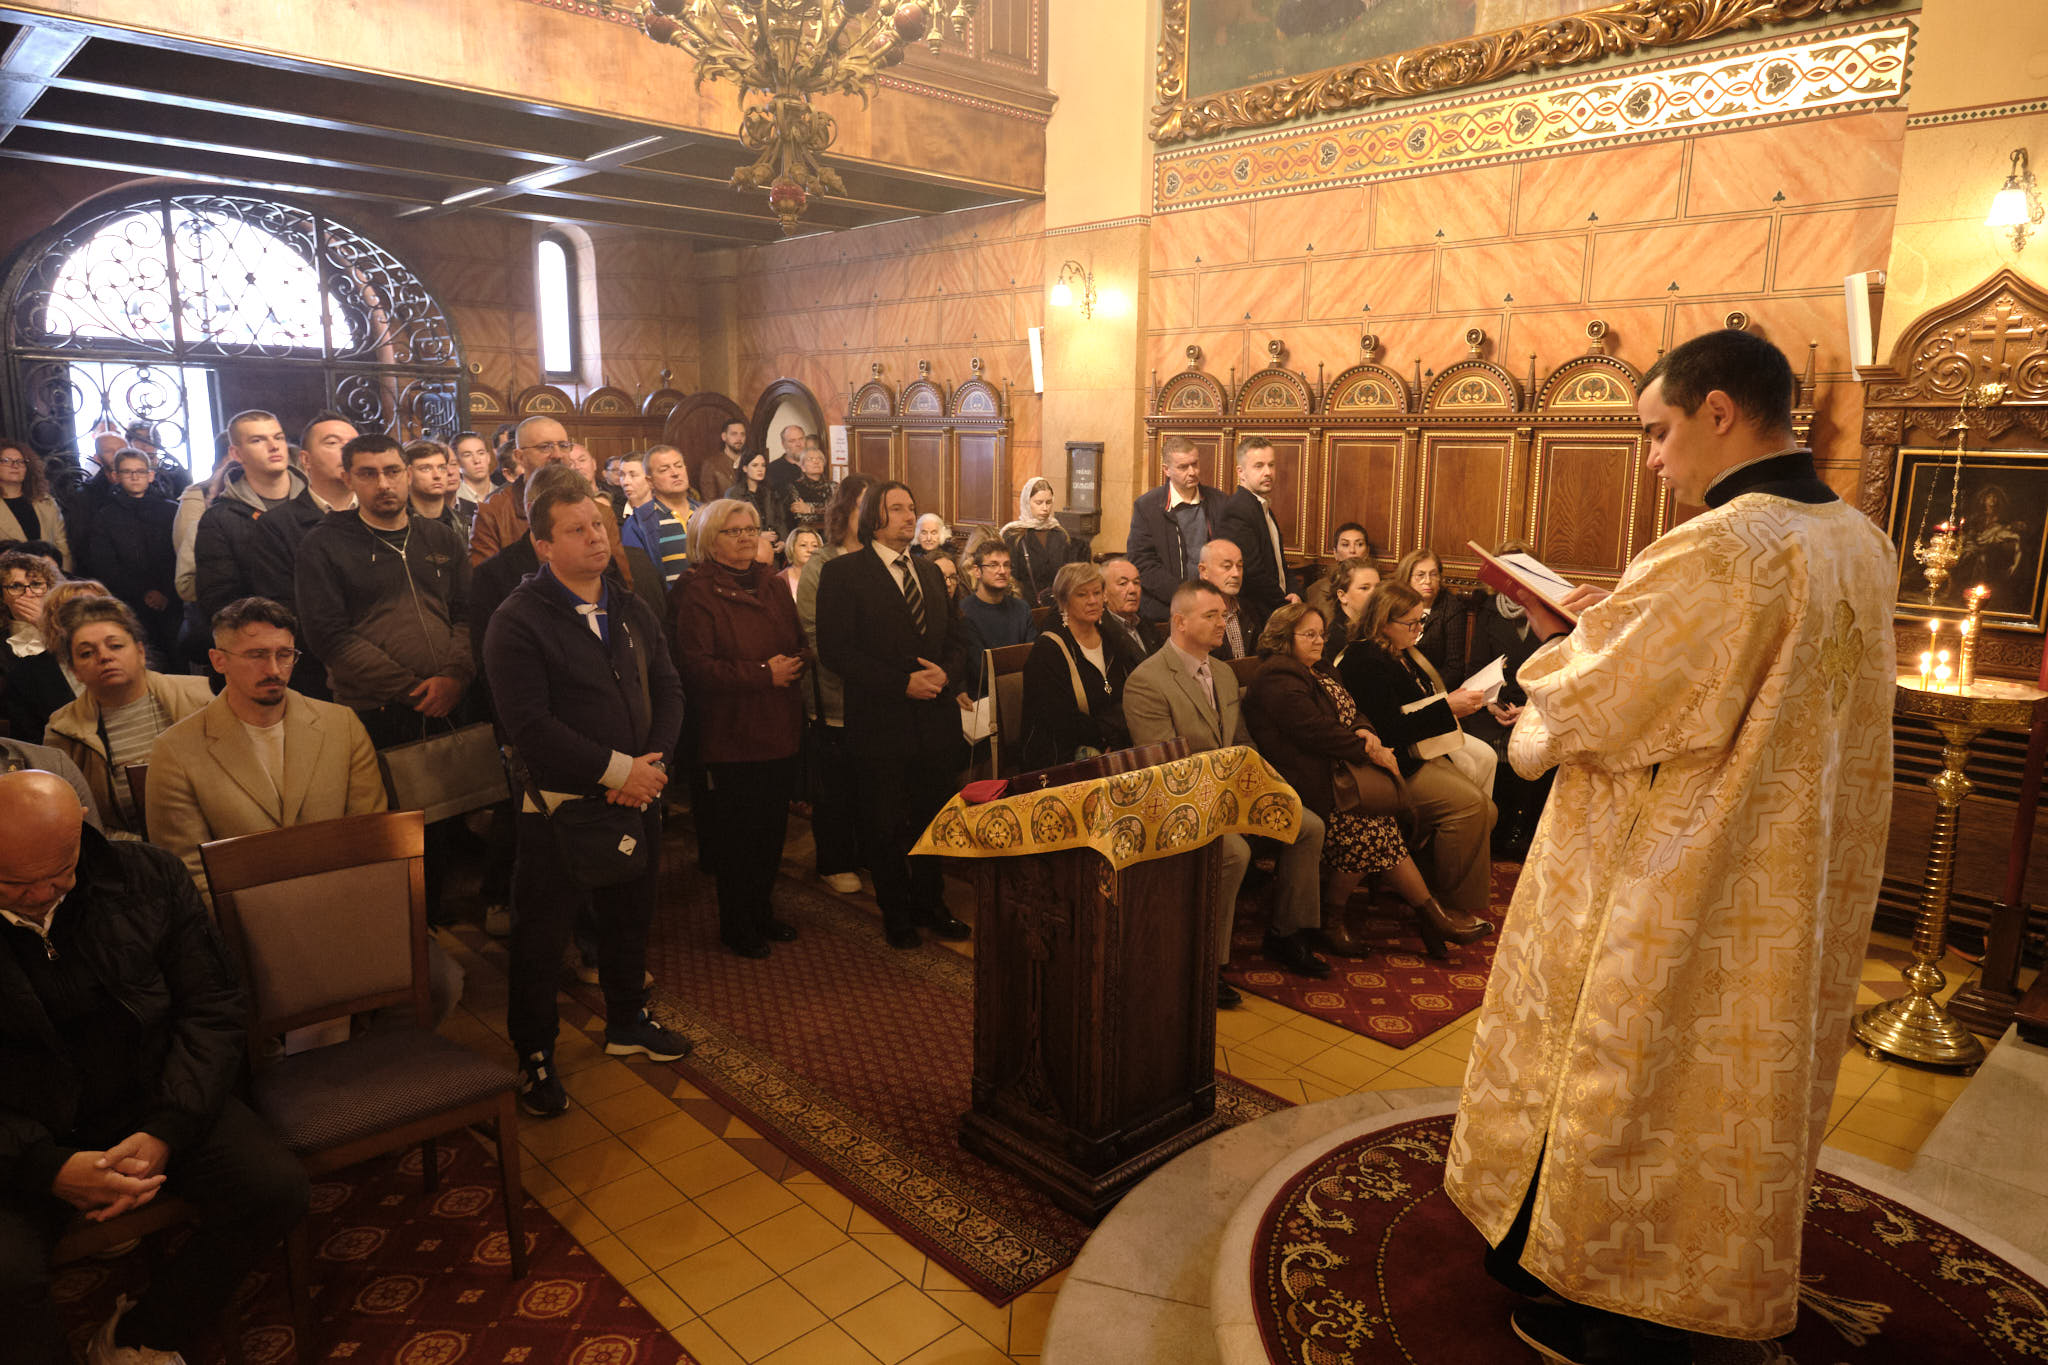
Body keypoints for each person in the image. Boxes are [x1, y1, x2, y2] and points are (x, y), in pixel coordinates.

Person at [1446, 330, 1896, 1363]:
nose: (1652, 458)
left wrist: (1559, 650)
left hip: (1680, 876)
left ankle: (1606, 1292)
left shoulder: (1719, 546)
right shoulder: (1859, 542)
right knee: (1726, 1091)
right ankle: (1701, 1272)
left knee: (1627, 1072)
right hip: (1786, 880)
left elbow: (1593, 709)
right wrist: (1619, 627)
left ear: (1718, 413)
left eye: (1657, 431)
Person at [0, 769, 310, 1365]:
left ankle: (142, 1333)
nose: (40, 895)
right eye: (14, 883)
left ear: (80, 834)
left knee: (273, 1187)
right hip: (21, 1134)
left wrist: (169, 1127)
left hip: (151, 1094)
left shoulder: (145, 876)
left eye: (58, 873)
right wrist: (45, 1166)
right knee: (6, 1275)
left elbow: (213, 1006)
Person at [483, 471, 689, 1117]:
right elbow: (530, 725)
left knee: (630, 918)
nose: (596, 537)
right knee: (542, 939)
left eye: (598, 524)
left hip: (638, 793)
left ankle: (627, 1019)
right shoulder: (517, 620)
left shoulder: (630, 605)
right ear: (543, 545)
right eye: (577, 530)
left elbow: (669, 688)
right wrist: (618, 770)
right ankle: (535, 1055)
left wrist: (652, 766)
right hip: (561, 809)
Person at [295, 433, 473, 922]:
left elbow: (467, 614)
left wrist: (455, 676)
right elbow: (329, 637)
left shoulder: (440, 536)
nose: (384, 484)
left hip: (448, 699)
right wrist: (411, 689)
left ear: (407, 473)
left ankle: (430, 925)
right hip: (374, 709)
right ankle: (394, 928)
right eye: (369, 474)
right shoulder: (324, 544)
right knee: (389, 828)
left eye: (393, 471)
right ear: (348, 478)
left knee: (444, 822)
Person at [1124, 580, 1330, 997]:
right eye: (1211, 615)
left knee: (1308, 826)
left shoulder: (1221, 671)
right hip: (1180, 800)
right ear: (1180, 622)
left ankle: (1287, 933)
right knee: (1234, 852)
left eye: (1224, 615)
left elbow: (1242, 742)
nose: (1223, 623)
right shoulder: (1147, 681)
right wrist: (1224, 793)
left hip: (1230, 789)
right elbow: (1165, 768)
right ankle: (1206, 961)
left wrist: (1266, 787)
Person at [1244, 602, 1460, 959]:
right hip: (1302, 779)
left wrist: (1364, 730)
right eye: (1309, 635)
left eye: (1321, 634)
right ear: (1284, 638)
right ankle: (1424, 917)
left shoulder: (1320, 668)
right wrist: (1370, 751)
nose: (1319, 641)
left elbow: (1354, 709)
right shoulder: (1277, 677)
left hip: (1337, 771)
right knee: (1370, 825)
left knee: (1375, 823)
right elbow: (1316, 732)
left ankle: (1421, 917)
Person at [815, 479, 972, 949]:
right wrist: (901, 683)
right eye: (897, 508)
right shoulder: (844, 573)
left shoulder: (928, 572)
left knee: (932, 817)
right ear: (874, 519)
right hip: (881, 720)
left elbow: (956, 640)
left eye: (912, 507)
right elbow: (836, 651)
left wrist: (946, 674)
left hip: (934, 720)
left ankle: (931, 903)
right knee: (884, 822)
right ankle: (896, 911)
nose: (909, 515)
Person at [145, 596, 385, 898]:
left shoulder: (342, 725)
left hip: (346, 901)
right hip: (240, 916)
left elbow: (369, 836)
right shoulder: (175, 751)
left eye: (284, 654)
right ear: (219, 661)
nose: (274, 669)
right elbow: (190, 874)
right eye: (256, 655)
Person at [673, 498, 808, 958]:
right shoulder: (696, 592)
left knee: (771, 831)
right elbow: (696, 668)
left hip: (780, 725)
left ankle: (762, 910)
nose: (747, 537)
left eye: (752, 528)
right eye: (734, 531)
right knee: (738, 837)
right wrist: (763, 674)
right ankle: (737, 923)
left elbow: (799, 642)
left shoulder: (772, 584)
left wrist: (798, 662)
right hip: (732, 733)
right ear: (708, 540)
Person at [1336, 582, 1497, 949]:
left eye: (1420, 620)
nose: (1418, 629)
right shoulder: (1365, 660)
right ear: (1383, 622)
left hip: (1415, 756)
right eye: (1410, 623)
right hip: (1386, 767)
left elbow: (1416, 705)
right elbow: (1389, 730)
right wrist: (1447, 708)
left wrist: (1448, 705)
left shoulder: (1399, 652)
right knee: (1471, 807)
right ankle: (1449, 910)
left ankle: (1429, 889)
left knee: (1487, 810)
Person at [41, 595, 212, 837]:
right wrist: (144, 853)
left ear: (140, 652)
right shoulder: (64, 730)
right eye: (87, 653)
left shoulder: (202, 697)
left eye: (115, 646)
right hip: (130, 853)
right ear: (74, 671)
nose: (104, 657)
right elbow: (79, 821)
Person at [795, 473, 877, 898]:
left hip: (878, 694)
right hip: (834, 693)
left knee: (870, 780)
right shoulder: (822, 564)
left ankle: (865, 850)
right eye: (865, 505)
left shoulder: (880, 559)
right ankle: (835, 859)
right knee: (837, 785)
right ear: (845, 511)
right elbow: (813, 632)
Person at [1464, 540, 1553, 859]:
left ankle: (1524, 828)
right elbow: (1477, 669)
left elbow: (1562, 671)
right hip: (1497, 705)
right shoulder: (1488, 610)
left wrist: (1530, 710)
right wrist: (1491, 705)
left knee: (1537, 742)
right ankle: (1496, 828)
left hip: (1539, 706)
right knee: (1486, 742)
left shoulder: (1552, 611)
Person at [468, 415, 628, 576]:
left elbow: (619, 581)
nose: (557, 455)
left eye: (563, 446)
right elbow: (486, 582)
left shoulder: (599, 511)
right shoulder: (494, 512)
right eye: (545, 447)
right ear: (519, 456)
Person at [1018, 561, 1140, 770]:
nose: (1092, 601)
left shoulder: (1112, 639)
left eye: (1097, 593)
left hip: (1115, 745)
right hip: (1061, 757)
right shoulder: (1048, 650)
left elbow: (1130, 692)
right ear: (1064, 601)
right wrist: (1104, 741)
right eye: (1082, 595)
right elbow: (1058, 718)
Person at [83, 450, 182, 665]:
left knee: (178, 658)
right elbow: (104, 564)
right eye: (127, 472)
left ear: (151, 475)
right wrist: (144, 592)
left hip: (172, 599)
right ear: (116, 476)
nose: (135, 477)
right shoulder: (105, 516)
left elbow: (181, 555)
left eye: (140, 471)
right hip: (130, 602)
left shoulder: (171, 511)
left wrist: (166, 592)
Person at [1128, 435, 1227, 626]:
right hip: (1165, 608)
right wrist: (1185, 597)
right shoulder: (1147, 506)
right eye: (1183, 467)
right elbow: (1142, 562)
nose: (1192, 472)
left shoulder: (1220, 502)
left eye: (1195, 464)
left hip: (1213, 604)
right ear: (1167, 470)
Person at [1216, 436, 1299, 639]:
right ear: (1241, 472)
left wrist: (1296, 593)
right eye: (1259, 466)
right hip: (1258, 616)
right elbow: (1252, 572)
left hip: (1277, 610)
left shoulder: (1261, 507)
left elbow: (1279, 565)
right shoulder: (1238, 509)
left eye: (1271, 465)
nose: (1268, 472)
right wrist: (1285, 605)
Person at [0, 551, 73, 743]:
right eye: (16, 586)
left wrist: (44, 625)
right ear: (3, 596)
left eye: (36, 584)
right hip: (27, 729)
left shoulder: (69, 629)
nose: (28, 593)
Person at [622, 444, 700, 592]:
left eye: (679, 466)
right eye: (664, 469)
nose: (675, 473)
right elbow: (640, 581)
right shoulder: (639, 522)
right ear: (650, 481)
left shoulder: (705, 513)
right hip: (668, 603)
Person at [1393, 547, 1467, 685]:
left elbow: (1454, 668)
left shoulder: (1452, 608)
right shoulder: (1395, 604)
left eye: (1433, 574)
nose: (1427, 581)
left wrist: (1429, 690)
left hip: (1436, 685)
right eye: (1420, 575)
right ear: (1407, 578)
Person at [956, 539, 1035, 664]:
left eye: (1006, 565)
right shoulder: (964, 611)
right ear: (977, 571)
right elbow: (978, 665)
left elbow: (1033, 655)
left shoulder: (1022, 609)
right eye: (993, 565)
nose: (1002, 571)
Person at [1000, 476, 1073, 608]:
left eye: (1048, 502)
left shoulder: (1060, 534)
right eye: (1039, 503)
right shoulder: (1013, 535)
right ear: (1027, 503)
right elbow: (1009, 578)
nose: (1045, 508)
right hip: (1022, 606)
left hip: (1056, 607)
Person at [0, 437, 70, 571]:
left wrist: (62, 577)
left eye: (21, 461)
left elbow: (62, 547)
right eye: (6, 461)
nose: (15, 465)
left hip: (51, 576)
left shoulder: (46, 502)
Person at [1308, 557, 1379, 666]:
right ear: (1342, 596)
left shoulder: (1379, 627)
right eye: (1364, 588)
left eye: (1378, 587)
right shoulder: (1336, 639)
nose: (1375, 594)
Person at [1197, 539, 1253, 660]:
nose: (1236, 574)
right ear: (1204, 571)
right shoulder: (1192, 614)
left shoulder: (1248, 609)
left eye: (1240, 566)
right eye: (1227, 566)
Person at [725, 450, 790, 544]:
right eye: (755, 465)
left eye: (763, 465)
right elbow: (732, 526)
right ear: (745, 468)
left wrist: (783, 542)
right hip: (746, 544)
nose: (760, 469)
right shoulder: (734, 494)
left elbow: (780, 521)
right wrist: (757, 535)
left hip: (772, 545)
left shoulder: (771, 493)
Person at [403, 438, 463, 533]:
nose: (437, 475)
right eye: (426, 469)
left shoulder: (462, 523)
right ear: (408, 474)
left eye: (441, 468)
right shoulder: (397, 523)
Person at [452, 430, 498, 522]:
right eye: (467, 455)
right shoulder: (453, 499)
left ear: (488, 457)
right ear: (458, 463)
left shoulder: (503, 495)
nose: (477, 460)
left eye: (481, 453)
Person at [787, 440, 833, 531]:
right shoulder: (794, 486)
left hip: (831, 533)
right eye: (810, 459)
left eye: (819, 459)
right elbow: (801, 517)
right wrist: (824, 509)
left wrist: (811, 509)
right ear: (802, 467)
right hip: (805, 534)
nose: (816, 462)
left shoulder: (833, 486)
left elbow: (838, 514)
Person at [699, 419, 745, 503]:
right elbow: (710, 503)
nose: (739, 438)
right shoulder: (711, 465)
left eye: (742, 434)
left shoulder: (751, 462)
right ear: (724, 437)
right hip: (724, 510)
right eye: (734, 434)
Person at [781, 526, 823, 597]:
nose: (810, 550)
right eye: (803, 545)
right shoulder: (780, 580)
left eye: (815, 546)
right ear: (792, 548)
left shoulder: (826, 577)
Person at [766, 423, 808, 492]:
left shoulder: (816, 464)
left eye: (801, 439)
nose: (798, 444)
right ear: (783, 444)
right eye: (792, 441)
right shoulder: (772, 469)